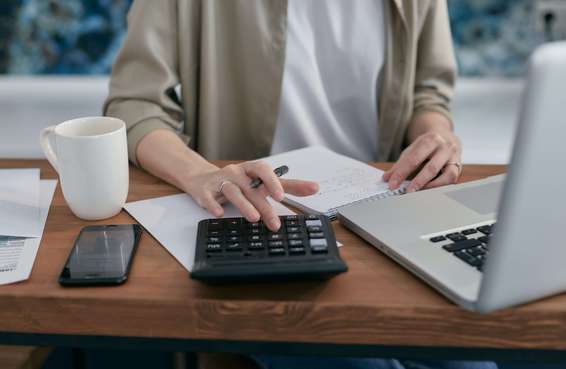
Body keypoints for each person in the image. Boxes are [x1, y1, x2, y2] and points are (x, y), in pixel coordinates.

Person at [104, 1, 494, 368]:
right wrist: (202, 173)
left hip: (381, 214)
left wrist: (437, 137)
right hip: (258, 221)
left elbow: (428, 94)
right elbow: (136, 104)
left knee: (470, 359)